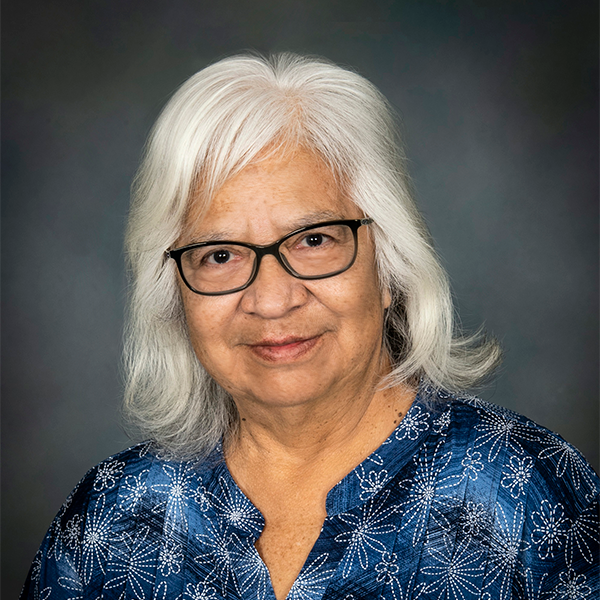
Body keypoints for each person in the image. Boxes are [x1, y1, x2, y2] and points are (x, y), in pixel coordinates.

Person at [22, 53, 600, 600]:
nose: (272, 301)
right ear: (173, 294)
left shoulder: (525, 494)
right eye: (219, 255)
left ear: (391, 264)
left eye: (314, 240)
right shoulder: (112, 518)